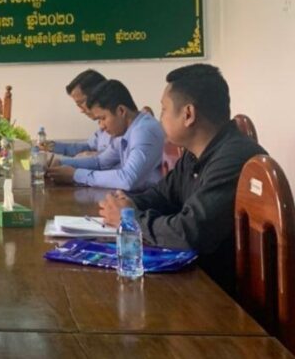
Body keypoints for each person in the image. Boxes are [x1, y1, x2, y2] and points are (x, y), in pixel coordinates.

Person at [97, 64, 266, 295]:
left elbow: (189, 232)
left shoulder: (233, 158)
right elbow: (162, 194)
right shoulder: (194, 154)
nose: (160, 119)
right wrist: (127, 205)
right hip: (198, 277)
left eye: (164, 109)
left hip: (221, 295)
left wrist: (132, 220)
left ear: (188, 114)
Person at [47, 79, 164, 191]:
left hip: (151, 201)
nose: (101, 126)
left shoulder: (144, 131)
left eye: (103, 118)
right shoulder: (125, 131)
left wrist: (75, 175)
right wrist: (61, 163)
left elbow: (127, 179)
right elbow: (100, 162)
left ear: (121, 111)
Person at [48, 69, 114, 157]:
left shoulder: (120, 125)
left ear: (97, 95)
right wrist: (51, 146)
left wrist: (95, 156)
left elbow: (111, 158)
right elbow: (88, 147)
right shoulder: (101, 130)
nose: (81, 110)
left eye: (81, 103)